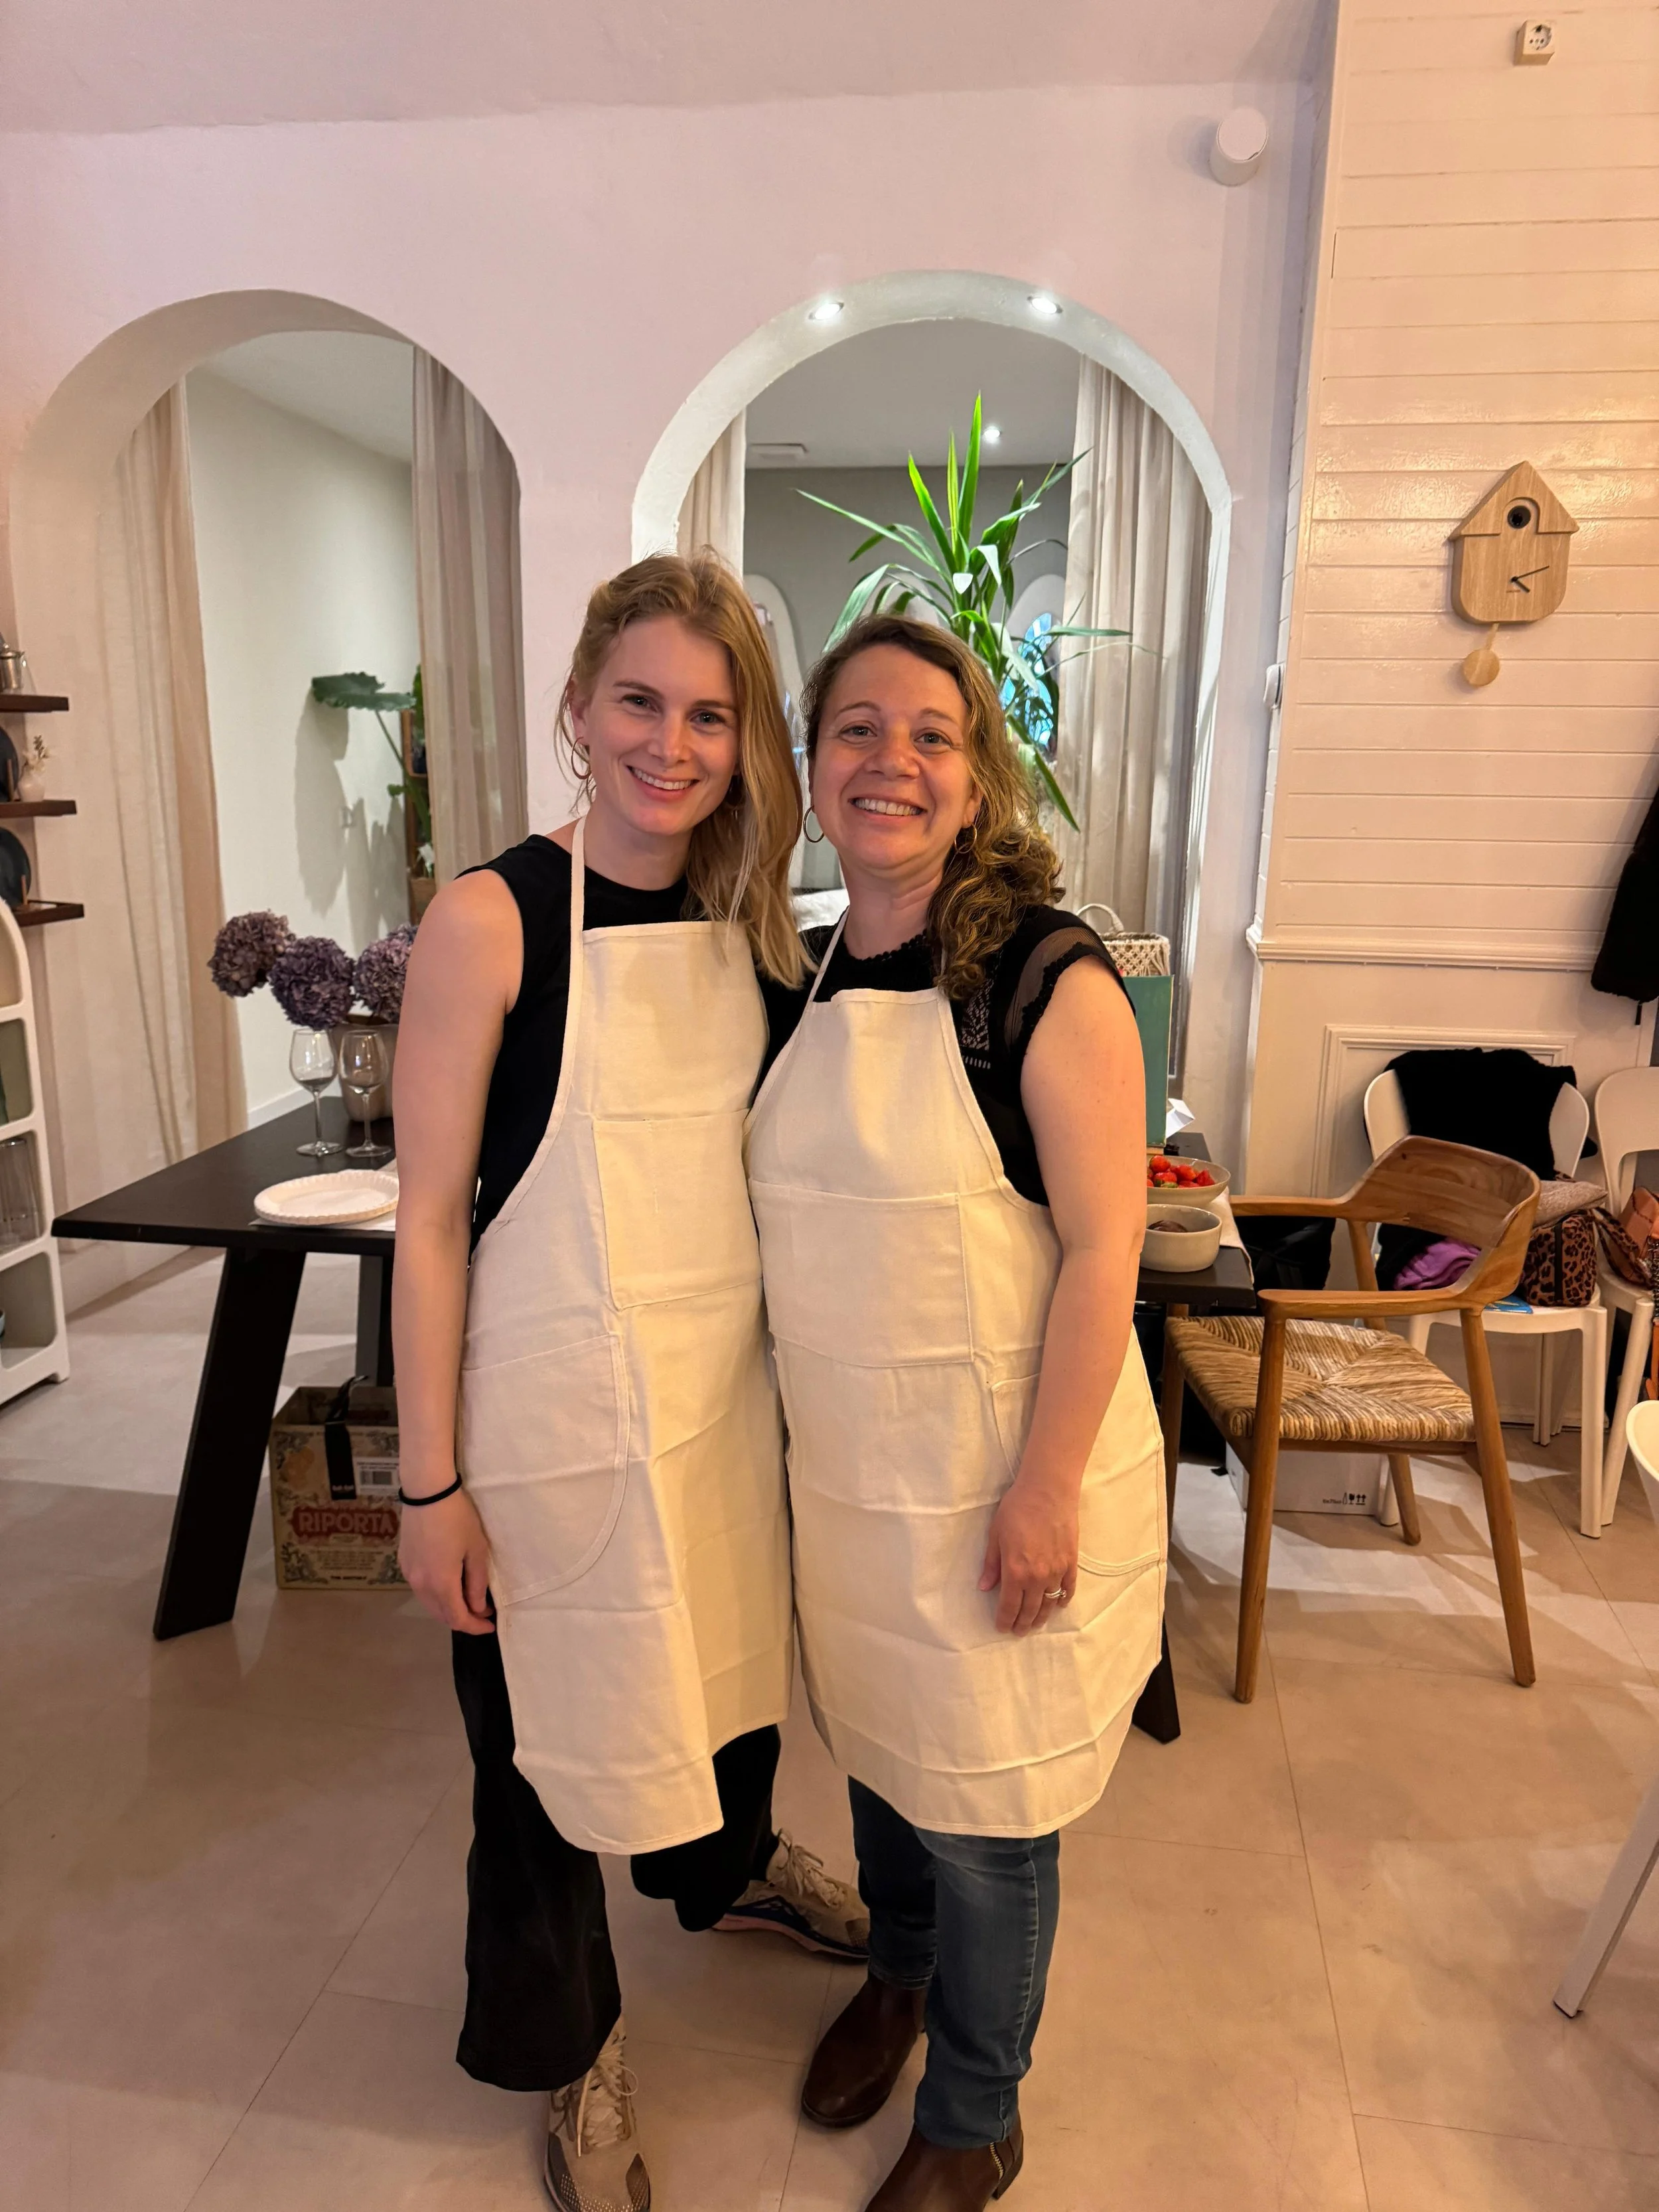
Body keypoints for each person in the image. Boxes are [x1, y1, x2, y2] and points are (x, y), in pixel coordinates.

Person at [393, 552, 868, 2212]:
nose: (671, 744)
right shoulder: (491, 916)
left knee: (719, 1686)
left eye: (711, 715)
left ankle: (731, 1874)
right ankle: (574, 2053)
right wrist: (427, 1482)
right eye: (641, 703)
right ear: (579, 708)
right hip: (538, 1434)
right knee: (536, 1764)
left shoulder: (750, 930)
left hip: (712, 1413)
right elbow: (433, 1219)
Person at [749, 614, 1166, 2212]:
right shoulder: (802, 970)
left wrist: (1046, 1484)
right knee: (879, 1751)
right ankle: (897, 1976)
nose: (891, 762)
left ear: (978, 771)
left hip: (1007, 1467)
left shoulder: (1044, 981)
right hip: (860, 1481)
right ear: (811, 767)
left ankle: (977, 2111)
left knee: (988, 1809)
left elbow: (1101, 1256)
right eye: (856, 729)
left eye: (930, 733)